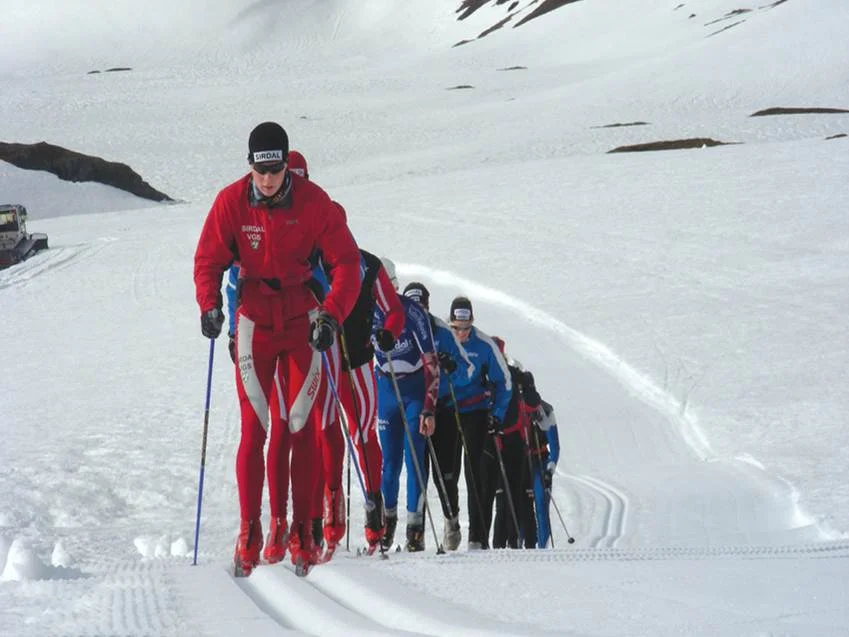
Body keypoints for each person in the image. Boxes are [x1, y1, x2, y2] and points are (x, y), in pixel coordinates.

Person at [193, 121, 361, 576]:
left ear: (287, 165)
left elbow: (347, 262)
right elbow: (208, 258)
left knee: (302, 423)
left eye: (276, 171)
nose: (267, 181)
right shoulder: (231, 202)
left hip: (302, 319)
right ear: (250, 167)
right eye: (260, 171)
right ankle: (250, 530)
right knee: (257, 427)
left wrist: (331, 314)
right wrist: (211, 306)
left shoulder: (313, 203)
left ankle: (304, 531)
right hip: (253, 320)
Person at [402, 281, 474, 551]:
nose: (417, 312)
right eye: (412, 307)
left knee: (445, 474)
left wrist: (451, 366)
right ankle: (416, 532)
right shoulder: (402, 326)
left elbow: (467, 370)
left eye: (421, 307)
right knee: (417, 470)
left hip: (443, 406)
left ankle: (451, 519)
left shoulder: (442, 331)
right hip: (415, 407)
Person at [373, 260, 439, 551]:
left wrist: (429, 407)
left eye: (386, 286)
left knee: (414, 458)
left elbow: (432, 364)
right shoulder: (366, 310)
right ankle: (386, 524)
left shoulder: (412, 313)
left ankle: (415, 528)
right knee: (389, 463)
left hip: (413, 388)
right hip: (385, 387)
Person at [446, 296, 512, 550]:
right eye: (456, 328)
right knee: (448, 474)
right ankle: (451, 526)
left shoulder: (484, 345)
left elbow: (504, 383)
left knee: (475, 473)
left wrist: (497, 414)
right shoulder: (442, 338)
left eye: (465, 328)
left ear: (471, 323)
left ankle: (477, 536)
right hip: (447, 410)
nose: (461, 333)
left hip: (475, 412)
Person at [489, 337, 542, 549]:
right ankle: (502, 543)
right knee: (502, 498)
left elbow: (531, 406)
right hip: (494, 440)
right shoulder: (487, 374)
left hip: (515, 440)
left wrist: (528, 385)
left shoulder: (514, 376)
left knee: (519, 496)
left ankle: (517, 542)